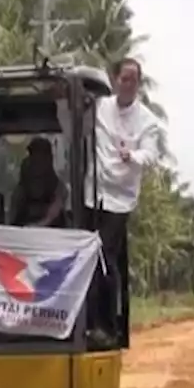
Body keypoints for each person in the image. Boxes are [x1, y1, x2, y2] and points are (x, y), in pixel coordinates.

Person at [55, 58, 160, 347]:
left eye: (134, 80)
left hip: (119, 200)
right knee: (86, 257)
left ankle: (108, 326)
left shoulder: (147, 121)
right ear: (115, 81)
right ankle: (86, 322)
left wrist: (134, 157)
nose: (129, 85)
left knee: (107, 260)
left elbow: (151, 155)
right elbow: (73, 124)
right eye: (124, 79)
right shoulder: (101, 107)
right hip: (91, 193)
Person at [9, 137, 65, 227]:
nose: (34, 158)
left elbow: (53, 214)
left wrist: (35, 227)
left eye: (40, 154)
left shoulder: (58, 187)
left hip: (53, 235)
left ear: (49, 158)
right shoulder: (22, 186)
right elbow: (12, 218)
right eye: (32, 154)